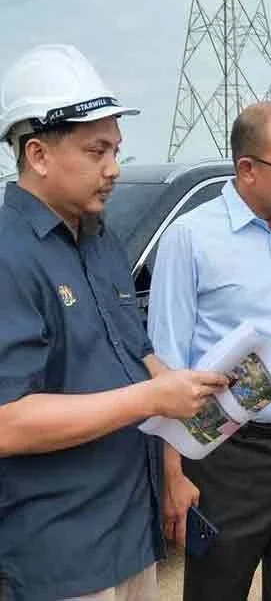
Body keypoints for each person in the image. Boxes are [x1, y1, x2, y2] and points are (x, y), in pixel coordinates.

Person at [0, 44, 227, 601]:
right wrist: (154, 399)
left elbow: (141, 359)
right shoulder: (9, 255)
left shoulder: (99, 240)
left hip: (132, 531)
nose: (114, 168)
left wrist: (198, 409)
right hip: (61, 556)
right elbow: (8, 422)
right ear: (38, 154)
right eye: (97, 150)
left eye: (117, 150)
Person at [148, 102, 271, 601]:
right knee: (218, 587)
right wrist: (173, 474)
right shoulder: (191, 238)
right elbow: (166, 363)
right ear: (247, 169)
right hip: (226, 456)